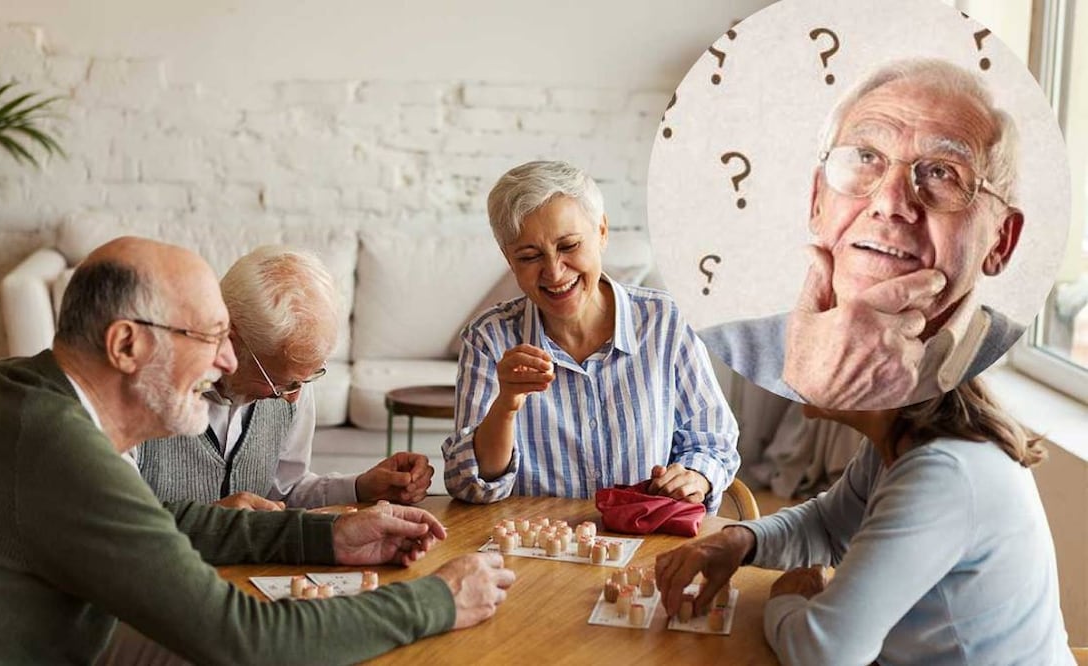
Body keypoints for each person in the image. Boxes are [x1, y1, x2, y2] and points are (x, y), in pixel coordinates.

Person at [0, 237, 514, 665]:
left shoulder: (11, 387)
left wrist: (325, 536)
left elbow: (157, 520)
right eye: (207, 338)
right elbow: (243, 638)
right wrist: (436, 599)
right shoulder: (55, 445)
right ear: (126, 344)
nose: (224, 362)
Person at [655, 378, 1073, 665]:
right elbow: (827, 524)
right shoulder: (899, 443)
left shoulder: (942, 474)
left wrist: (786, 599)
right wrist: (740, 540)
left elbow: (826, 653)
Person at [700, 58, 1027, 410]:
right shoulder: (711, 354)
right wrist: (807, 390)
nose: (890, 203)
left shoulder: (1019, 387)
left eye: (941, 172)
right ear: (817, 202)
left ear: (1001, 240)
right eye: (866, 156)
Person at [442, 160, 740, 510]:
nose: (554, 272)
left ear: (601, 232)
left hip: (646, 544)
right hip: (536, 553)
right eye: (529, 255)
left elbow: (713, 442)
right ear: (509, 259)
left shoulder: (666, 322)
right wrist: (506, 405)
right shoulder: (488, 339)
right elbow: (468, 484)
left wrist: (694, 476)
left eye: (568, 246)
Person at [134, 245, 433, 510]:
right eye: (280, 383)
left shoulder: (292, 379)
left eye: (307, 378)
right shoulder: (144, 391)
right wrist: (215, 520)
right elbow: (115, 524)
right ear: (230, 338)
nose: (293, 397)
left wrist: (361, 487)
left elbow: (285, 490)